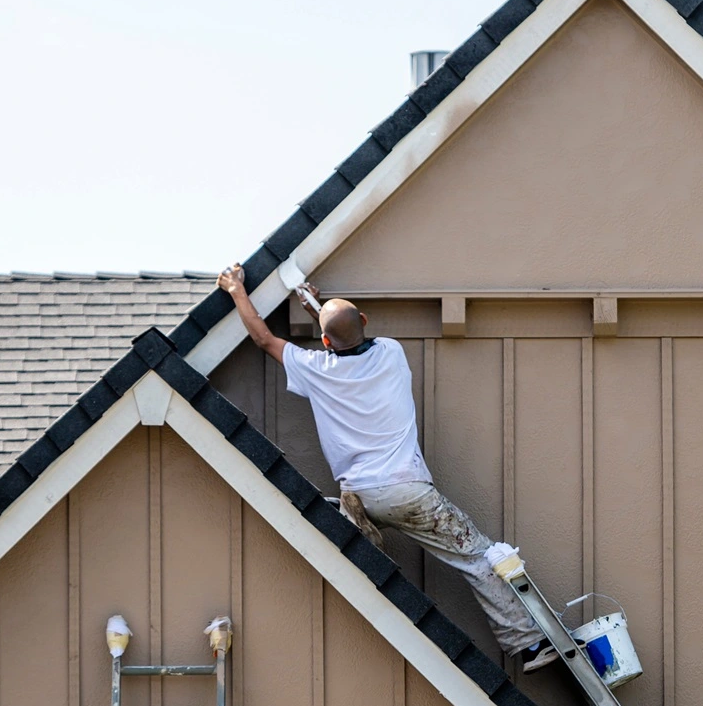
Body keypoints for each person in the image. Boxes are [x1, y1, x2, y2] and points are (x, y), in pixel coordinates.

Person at [216, 264, 557, 671]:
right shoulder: (391, 352)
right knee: (477, 555)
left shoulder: (316, 369)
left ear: (324, 340)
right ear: (364, 321)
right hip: (409, 491)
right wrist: (317, 307)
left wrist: (237, 289)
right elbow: (347, 335)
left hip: (359, 500)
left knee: (349, 546)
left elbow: (265, 339)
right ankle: (529, 644)